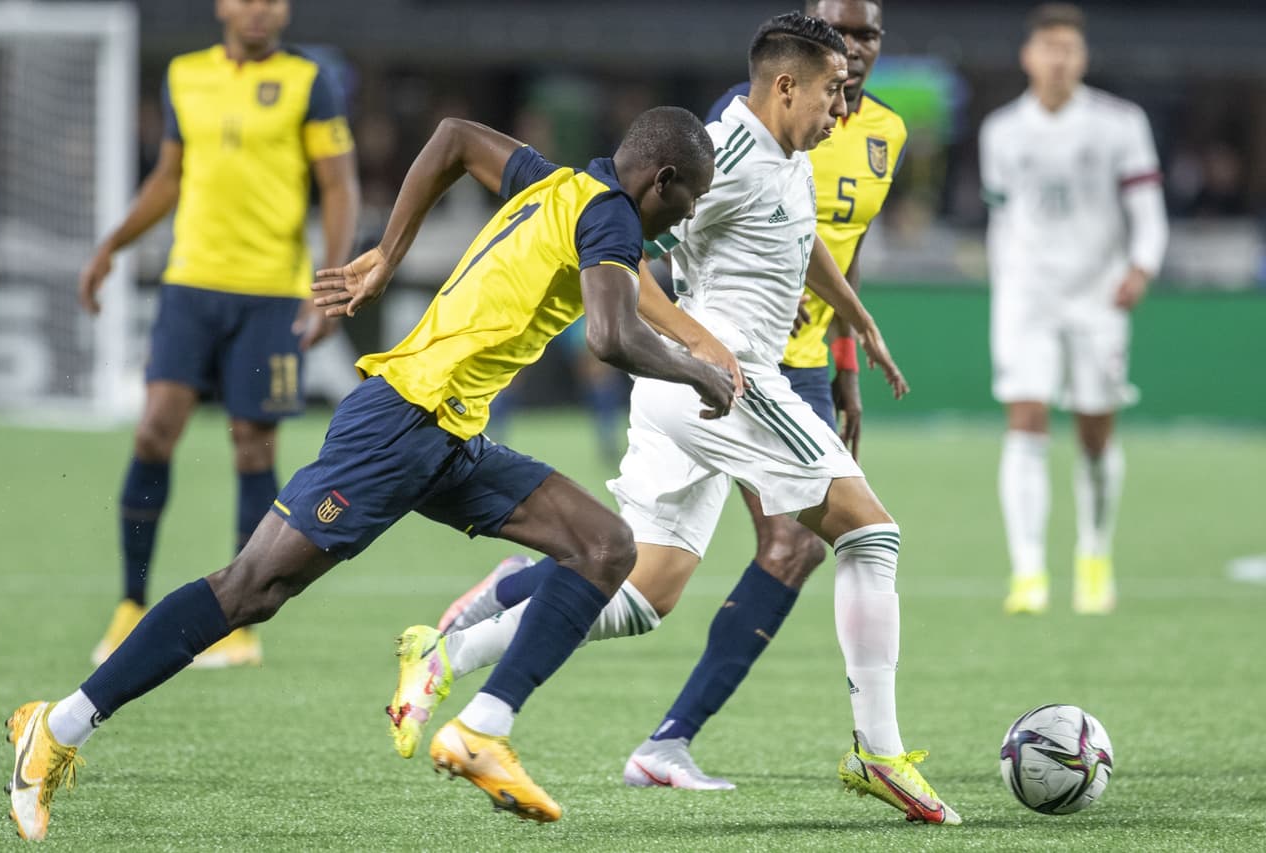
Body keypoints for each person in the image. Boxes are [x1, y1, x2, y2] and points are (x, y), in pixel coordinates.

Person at [6, 107, 739, 839]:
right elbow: (610, 335)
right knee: (252, 589)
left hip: (451, 435)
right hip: (400, 424)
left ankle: (484, 728)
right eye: (692, 198)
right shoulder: (610, 216)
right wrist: (698, 370)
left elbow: (453, 138)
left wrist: (389, 253)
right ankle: (60, 724)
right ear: (662, 179)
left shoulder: (560, 186)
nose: (689, 215)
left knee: (604, 545)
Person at [390, 12, 960, 826]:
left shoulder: (789, 151)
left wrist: (855, 315)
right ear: (786, 85)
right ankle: (880, 750)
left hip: (683, 392)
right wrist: (698, 342)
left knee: (645, 589)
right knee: (871, 533)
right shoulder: (723, 154)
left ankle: (448, 657)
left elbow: (801, 237)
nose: (843, 106)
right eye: (833, 91)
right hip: (724, 380)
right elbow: (620, 246)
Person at [77, 0, 360, 668]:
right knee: (154, 430)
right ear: (221, 6)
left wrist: (333, 280)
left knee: (253, 446)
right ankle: (130, 604)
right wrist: (113, 244)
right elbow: (169, 176)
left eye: (271, 0)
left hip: (271, 295)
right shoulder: (185, 75)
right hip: (191, 286)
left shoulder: (307, 81)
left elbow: (338, 185)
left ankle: (239, 623)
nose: (257, 10)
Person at [979, 3, 1168, 615]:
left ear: (1082, 58)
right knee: (1026, 417)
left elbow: (1148, 213)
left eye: (1069, 49)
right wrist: (1005, 285)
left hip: (1097, 295)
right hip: (1027, 297)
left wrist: (1142, 266)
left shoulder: (1120, 124)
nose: (1058, 59)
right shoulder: (1001, 131)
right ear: (1028, 56)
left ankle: (1093, 555)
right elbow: (1000, 219)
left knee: (1094, 430)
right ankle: (1028, 572)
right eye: (1049, 48)